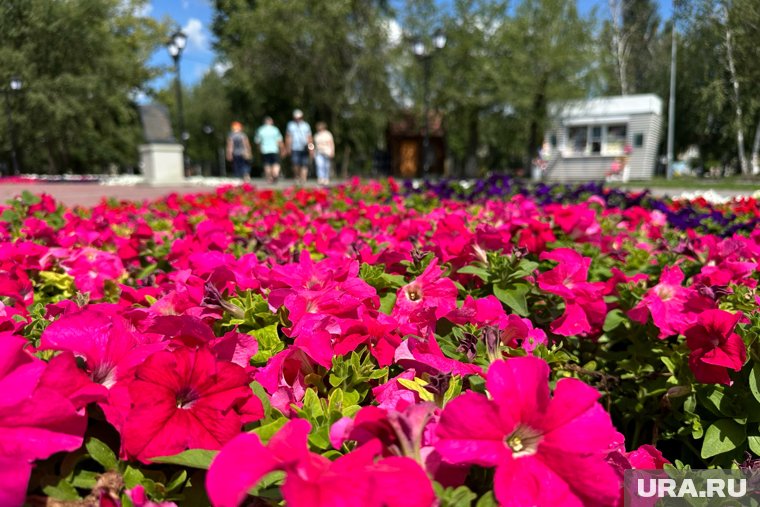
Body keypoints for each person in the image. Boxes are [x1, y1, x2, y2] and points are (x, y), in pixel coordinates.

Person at [285, 109, 313, 185]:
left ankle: (303, 179)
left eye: (299, 117)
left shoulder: (306, 125)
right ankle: (297, 176)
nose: (298, 119)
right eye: (296, 118)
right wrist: (287, 147)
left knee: (304, 164)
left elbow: (309, 138)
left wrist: (311, 149)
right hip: (295, 147)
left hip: (305, 147)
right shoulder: (290, 125)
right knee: (295, 163)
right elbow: (288, 137)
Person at [254, 116, 284, 183]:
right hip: (274, 149)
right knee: (276, 163)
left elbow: (257, 141)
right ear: (271, 122)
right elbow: (279, 141)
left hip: (265, 150)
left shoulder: (260, 130)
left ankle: (269, 177)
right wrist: (282, 149)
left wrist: (259, 149)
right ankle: (275, 174)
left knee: (267, 164)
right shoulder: (275, 130)